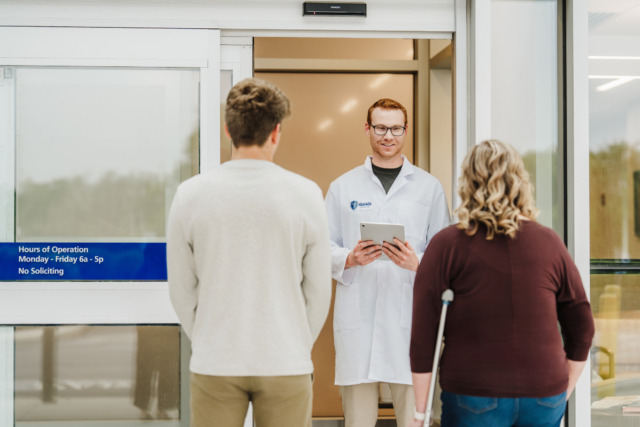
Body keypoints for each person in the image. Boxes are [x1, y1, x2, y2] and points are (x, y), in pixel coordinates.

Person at [167, 78, 332, 427]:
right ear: (276, 132)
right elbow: (318, 290)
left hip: (216, 361)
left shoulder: (190, 194)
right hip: (286, 360)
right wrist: (296, 342)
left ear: (228, 131)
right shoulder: (306, 194)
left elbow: (181, 290)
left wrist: (209, 338)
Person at [409, 139, 595, 427]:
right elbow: (582, 324)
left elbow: (424, 335)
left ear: (468, 183)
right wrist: (562, 390)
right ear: (520, 181)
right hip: (544, 393)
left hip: (474, 392)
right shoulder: (549, 243)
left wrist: (419, 415)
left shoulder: (447, 244)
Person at [325, 98, 451, 427]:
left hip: (409, 320)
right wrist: (349, 258)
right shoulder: (342, 187)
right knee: (358, 421)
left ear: (405, 131)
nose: (388, 136)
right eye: (380, 127)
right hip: (358, 319)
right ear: (367, 129)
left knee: (413, 420)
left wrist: (416, 262)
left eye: (396, 128)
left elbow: (448, 256)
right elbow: (321, 248)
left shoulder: (429, 188)